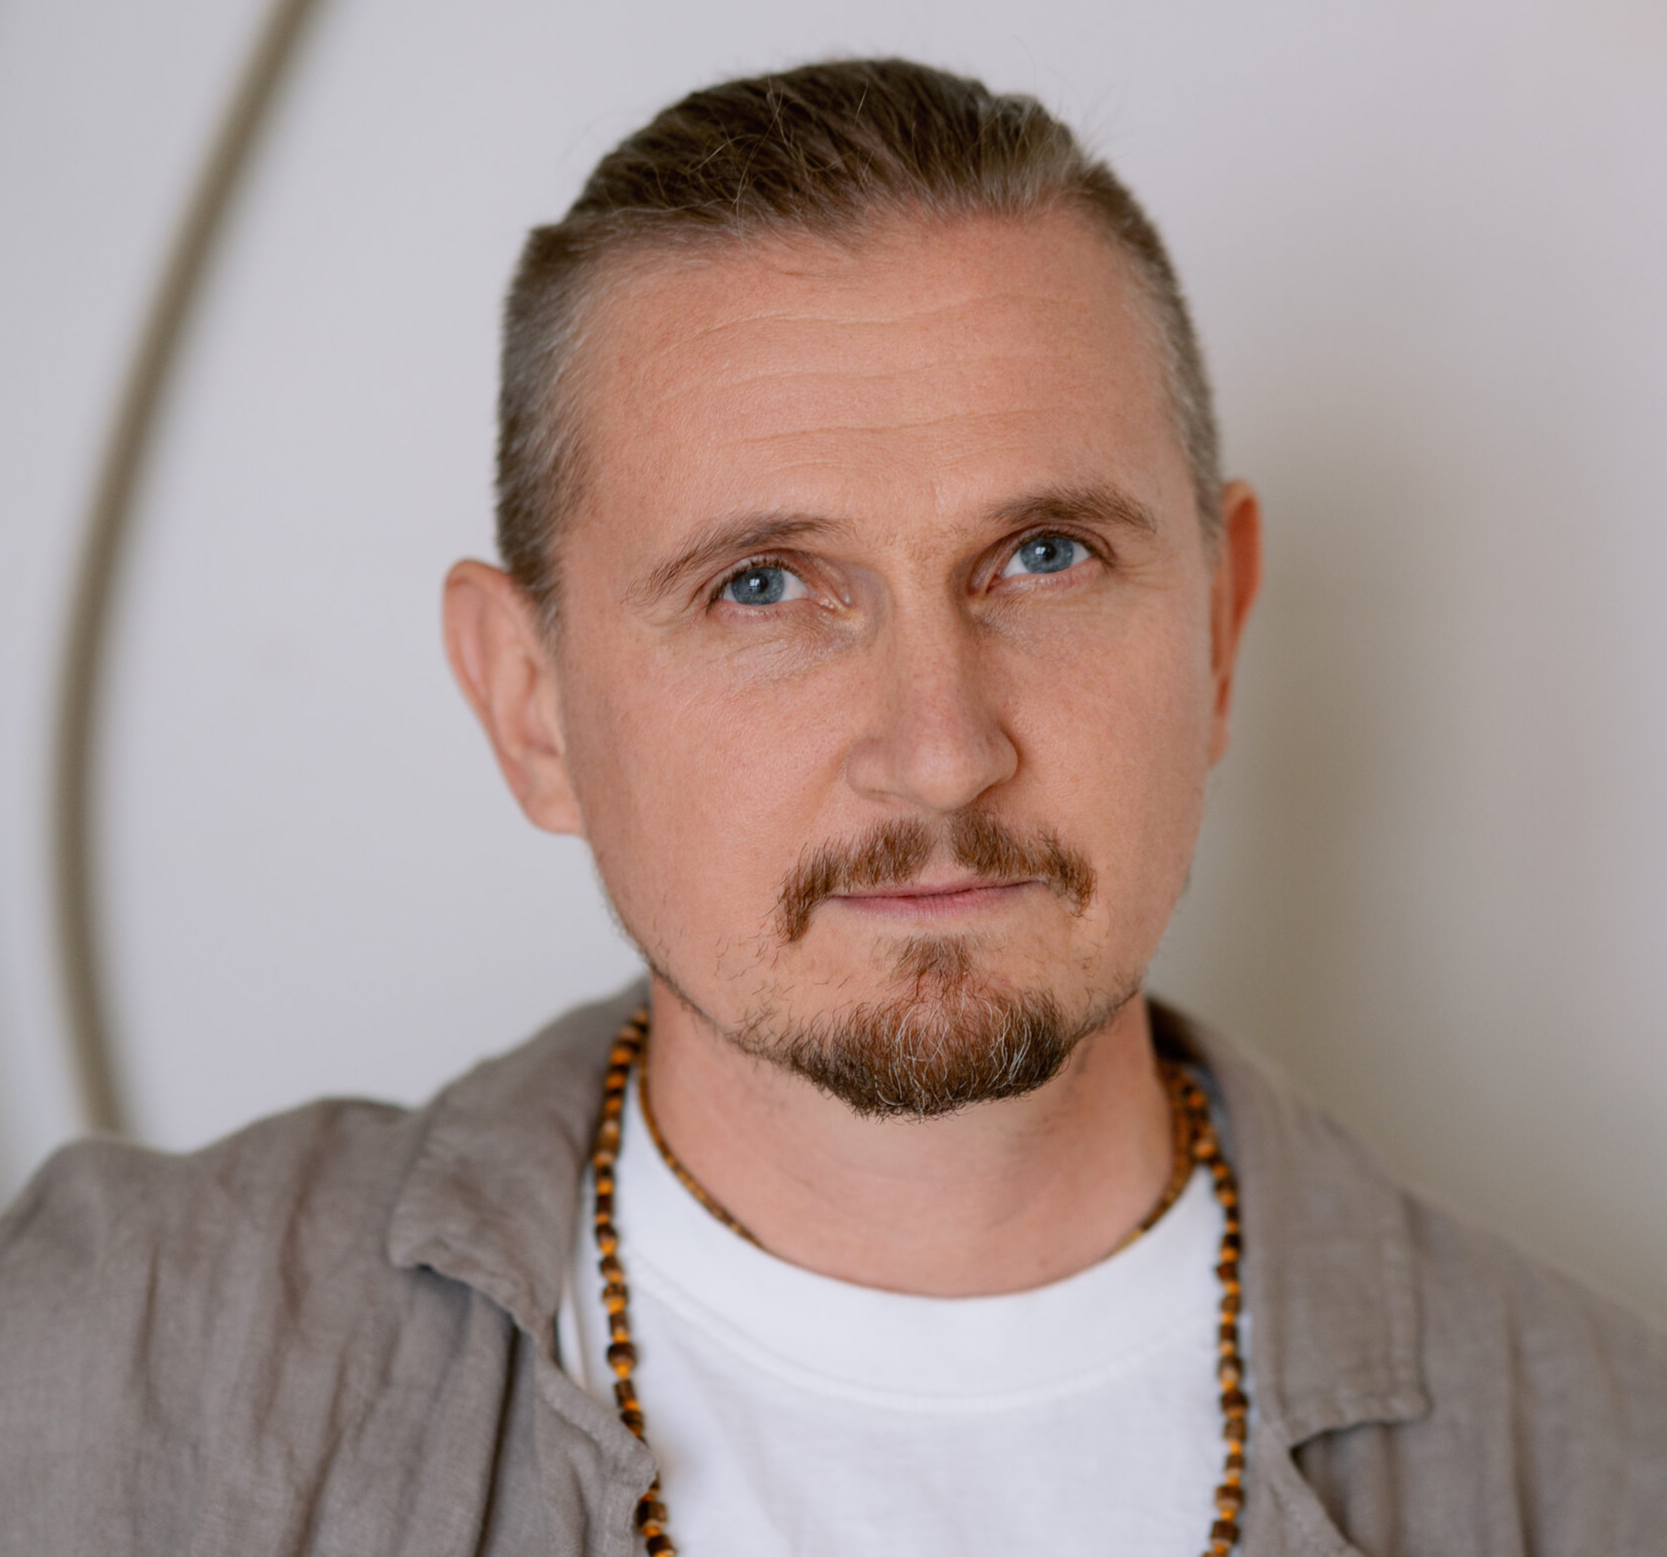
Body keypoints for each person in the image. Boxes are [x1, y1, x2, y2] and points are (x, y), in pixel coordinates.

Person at [1, 56, 1662, 1557]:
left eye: (1043, 557)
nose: (939, 753)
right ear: (531, 706)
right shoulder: (115, 1360)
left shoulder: (1610, 1471)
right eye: (763, 585)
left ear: (1217, 629)